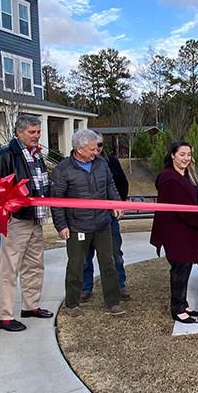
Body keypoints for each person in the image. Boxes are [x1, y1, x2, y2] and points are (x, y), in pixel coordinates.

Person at [0, 114, 53, 333]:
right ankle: (4, 316)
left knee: (35, 265)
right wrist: (5, 214)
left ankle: (31, 306)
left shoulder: (37, 155)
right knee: (9, 269)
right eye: (32, 132)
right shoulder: (4, 156)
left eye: (38, 132)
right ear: (19, 132)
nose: (36, 136)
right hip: (16, 220)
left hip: (36, 218)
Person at [51, 129, 126, 317]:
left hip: (102, 223)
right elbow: (57, 200)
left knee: (108, 263)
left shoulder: (101, 164)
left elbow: (110, 186)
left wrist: (115, 204)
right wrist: (61, 225)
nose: (96, 152)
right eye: (92, 149)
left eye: (97, 148)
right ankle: (72, 304)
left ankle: (113, 301)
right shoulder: (63, 169)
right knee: (76, 264)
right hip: (77, 226)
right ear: (79, 149)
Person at [150, 141, 198, 324]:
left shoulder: (183, 175)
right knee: (179, 268)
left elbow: (190, 192)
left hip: (186, 231)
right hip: (175, 231)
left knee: (185, 267)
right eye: (182, 154)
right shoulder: (168, 178)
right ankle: (177, 309)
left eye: (189, 155)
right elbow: (183, 209)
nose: (186, 158)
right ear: (172, 155)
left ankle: (183, 303)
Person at [80, 135, 130, 303]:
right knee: (85, 256)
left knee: (114, 253)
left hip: (108, 218)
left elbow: (119, 185)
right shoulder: (71, 166)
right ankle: (85, 288)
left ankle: (119, 286)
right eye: (94, 146)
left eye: (100, 145)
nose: (98, 149)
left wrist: (118, 204)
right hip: (84, 219)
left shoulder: (109, 163)